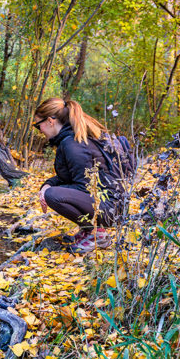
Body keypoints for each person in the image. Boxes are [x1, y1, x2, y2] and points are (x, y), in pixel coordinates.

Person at [33, 98, 122, 253]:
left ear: (50, 121)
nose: (39, 130)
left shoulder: (72, 144)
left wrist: (48, 191)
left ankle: (96, 234)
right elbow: (69, 178)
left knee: (53, 195)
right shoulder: (71, 139)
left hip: (110, 209)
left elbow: (84, 187)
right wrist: (47, 184)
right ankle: (88, 231)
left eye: (37, 125)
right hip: (109, 204)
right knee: (50, 191)